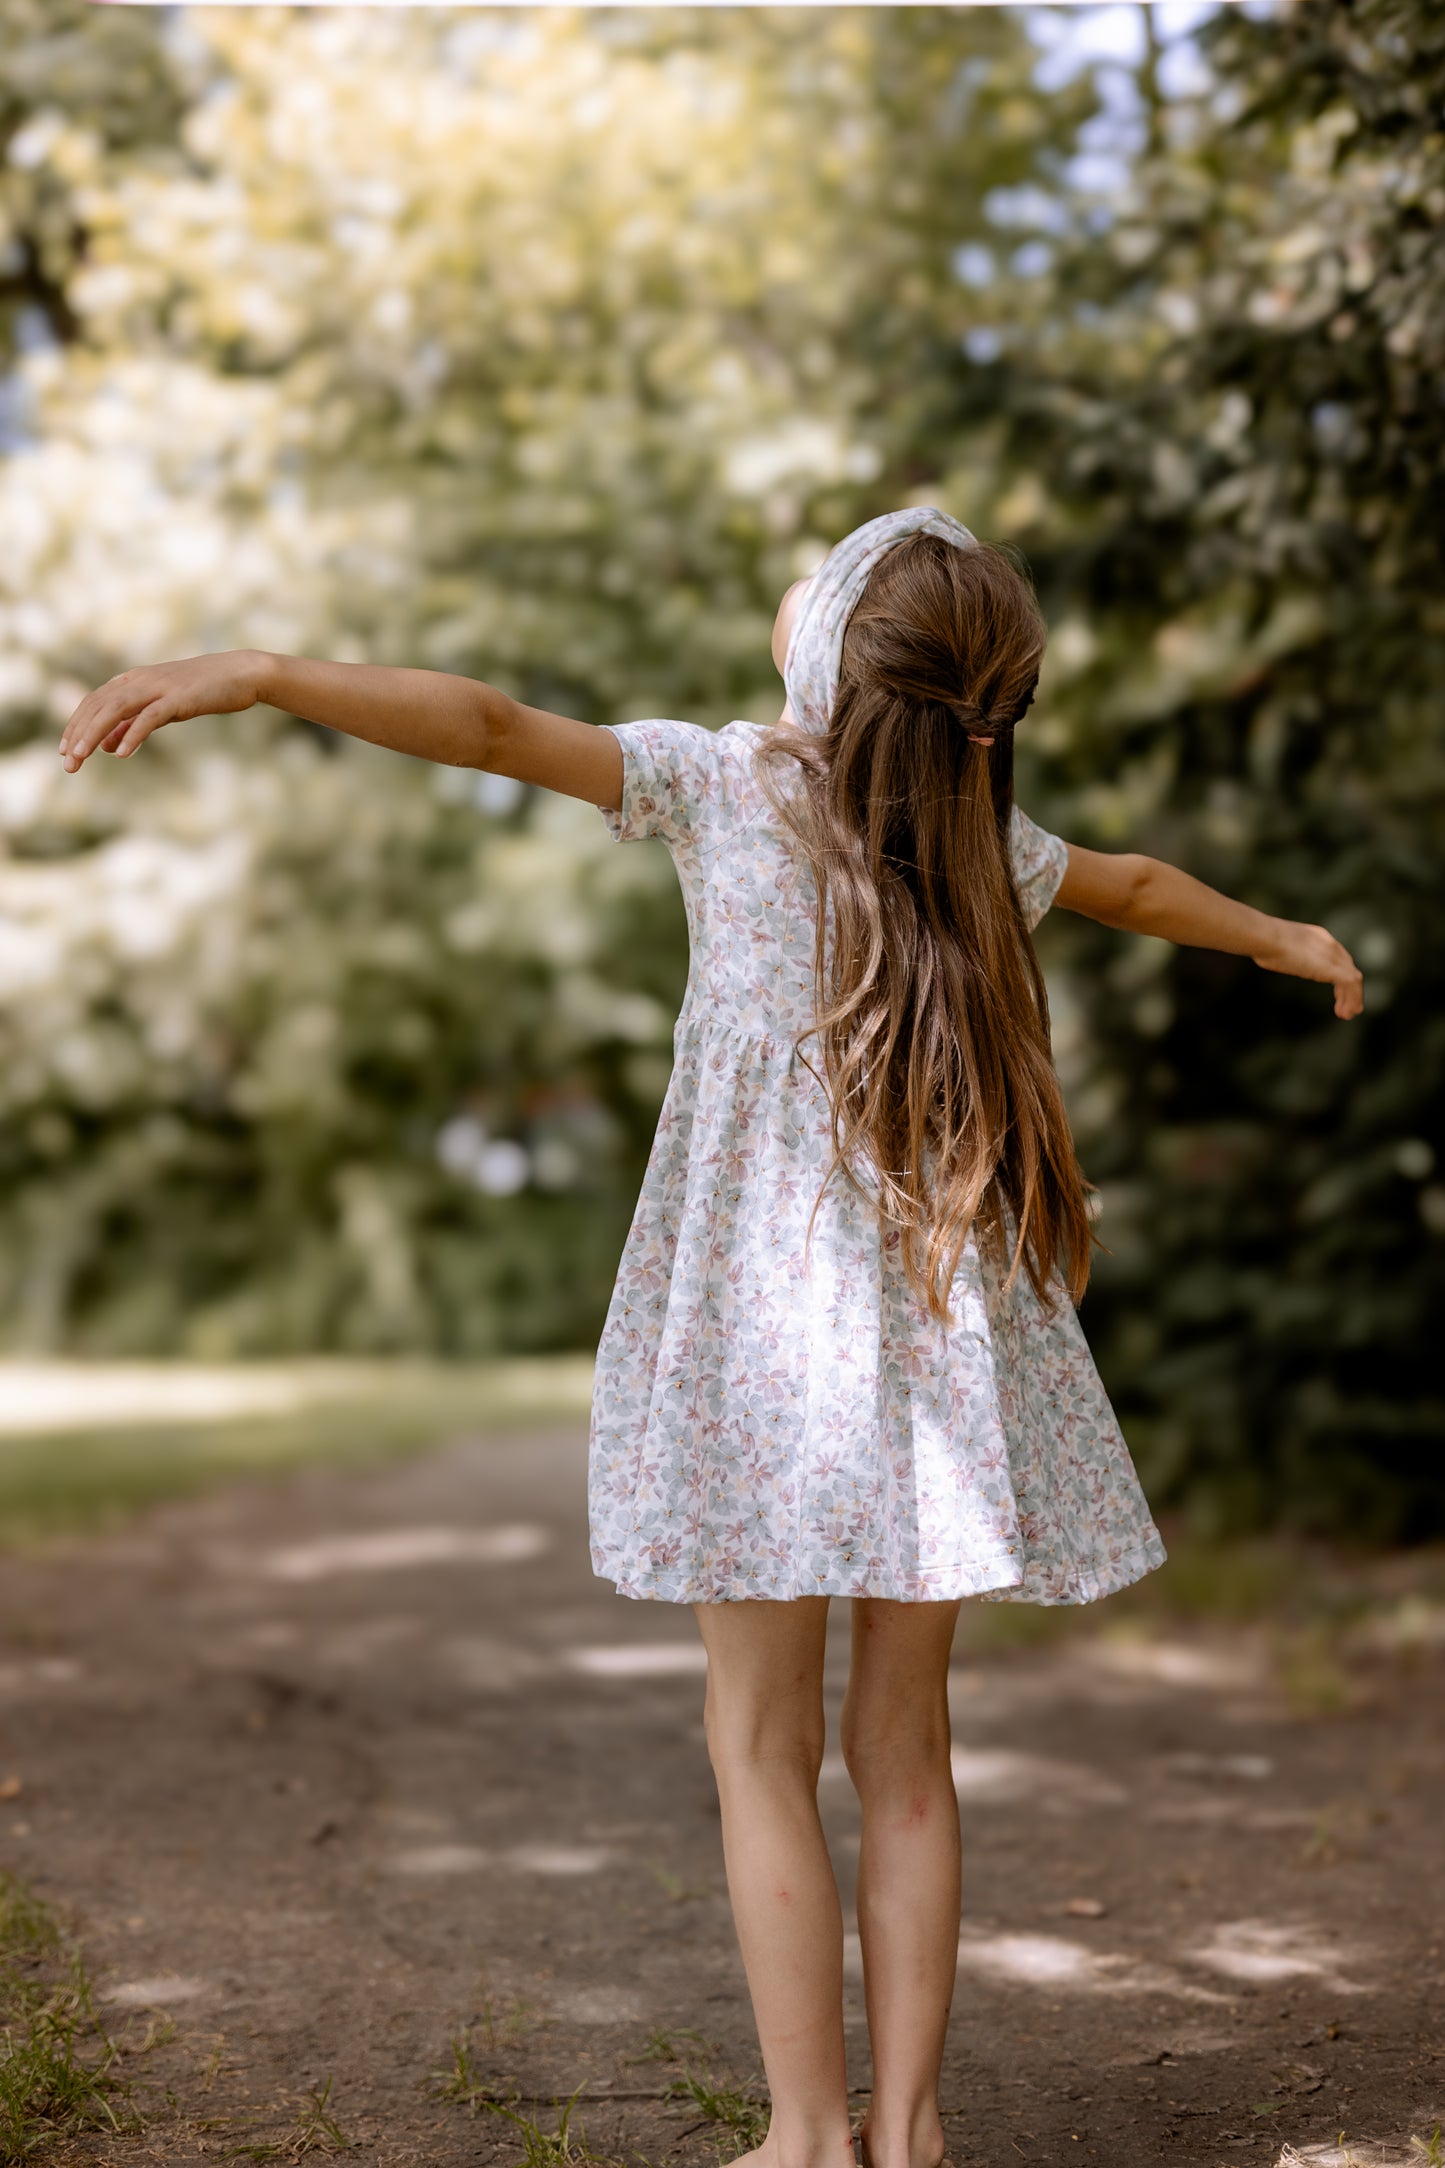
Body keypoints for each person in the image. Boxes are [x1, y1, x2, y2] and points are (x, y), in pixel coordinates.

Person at [57, 505, 1362, 2168]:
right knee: (906, 1753)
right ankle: (907, 2130)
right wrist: (1276, 936)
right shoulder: (981, 847)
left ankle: (804, 2136)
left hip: (762, 1354)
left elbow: (481, 724)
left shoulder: (724, 784)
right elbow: (1139, 887)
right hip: (937, 1347)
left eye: (822, 566)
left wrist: (257, 672)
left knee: (759, 1746)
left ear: (824, 655)